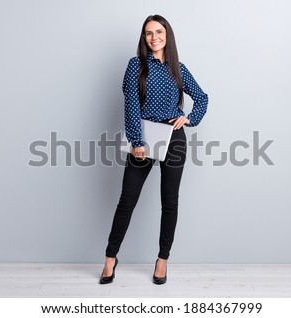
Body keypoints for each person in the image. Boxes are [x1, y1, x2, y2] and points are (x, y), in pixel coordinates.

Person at [100, 14, 208, 285]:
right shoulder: (136, 65)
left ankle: (162, 260)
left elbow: (202, 98)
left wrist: (190, 118)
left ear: (167, 35)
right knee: (127, 200)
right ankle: (110, 259)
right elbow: (131, 104)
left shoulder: (178, 68)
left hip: (173, 138)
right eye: (148, 33)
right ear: (144, 38)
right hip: (144, 138)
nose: (154, 37)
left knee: (169, 202)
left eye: (159, 32)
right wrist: (137, 141)